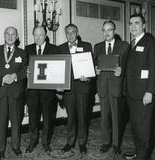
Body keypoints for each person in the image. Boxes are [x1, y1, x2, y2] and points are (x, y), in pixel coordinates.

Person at [0, 26, 27, 159]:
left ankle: (16, 147)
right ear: (4, 35)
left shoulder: (22, 53)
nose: (10, 36)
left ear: (17, 37)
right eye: (8, 34)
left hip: (16, 93)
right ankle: (0, 148)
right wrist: (1, 80)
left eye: (13, 34)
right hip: (0, 93)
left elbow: (25, 71)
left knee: (16, 122)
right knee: (0, 123)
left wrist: (15, 76)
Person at [58, 24, 96, 154]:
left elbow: (91, 66)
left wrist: (89, 77)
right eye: (67, 32)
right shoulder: (61, 48)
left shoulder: (86, 46)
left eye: (73, 32)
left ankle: (82, 142)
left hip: (82, 87)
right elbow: (59, 69)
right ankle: (70, 142)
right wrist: (59, 89)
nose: (70, 35)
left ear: (77, 32)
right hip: (68, 89)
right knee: (71, 117)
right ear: (65, 34)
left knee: (82, 116)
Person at [94, 20, 129, 155]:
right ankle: (105, 142)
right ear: (102, 32)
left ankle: (116, 144)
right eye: (104, 30)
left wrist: (122, 70)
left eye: (109, 29)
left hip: (116, 86)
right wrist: (95, 70)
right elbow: (94, 65)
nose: (107, 32)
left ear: (114, 31)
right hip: (102, 86)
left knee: (116, 118)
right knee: (104, 118)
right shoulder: (97, 47)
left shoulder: (124, 46)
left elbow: (128, 65)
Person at [125, 14, 155, 160]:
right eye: (131, 23)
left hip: (144, 93)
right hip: (132, 94)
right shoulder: (133, 43)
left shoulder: (149, 42)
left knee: (144, 129)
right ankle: (139, 152)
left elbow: (154, 68)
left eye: (137, 23)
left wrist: (149, 92)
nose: (133, 26)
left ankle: (143, 157)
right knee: (136, 127)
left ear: (144, 25)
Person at [25, 26, 58, 153]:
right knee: (33, 119)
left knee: (47, 120)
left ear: (45, 35)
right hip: (32, 92)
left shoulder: (54, 49)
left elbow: (57, 69)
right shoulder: (28, 49)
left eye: (40, 35)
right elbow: (23, 67)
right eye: (35, 35)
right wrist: (26, 71)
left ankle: (45, 143)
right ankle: (32, 142)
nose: (38, 38)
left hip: (48, 92)